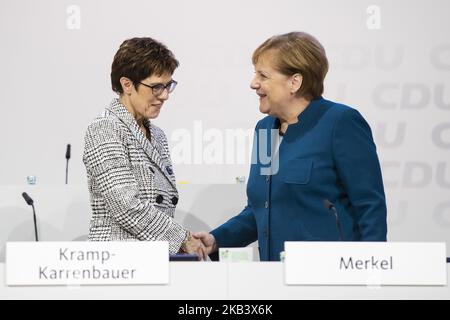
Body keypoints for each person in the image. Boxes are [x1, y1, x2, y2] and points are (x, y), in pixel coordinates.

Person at [194, 32, 387, 261]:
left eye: (263, 75)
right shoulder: (264, 130)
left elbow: (369, 206)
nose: (253, 83)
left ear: (295, 81)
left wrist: (373, 274)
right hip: (275, 280)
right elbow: (261, 210)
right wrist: (217, 240)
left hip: (331, 280)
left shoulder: (341, 122)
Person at [83, 37, 205, 259]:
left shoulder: (157, 135)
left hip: (152, 259)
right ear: (127, 84)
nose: (165, 95)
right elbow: (124, 205)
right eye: (156, 87)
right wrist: (182, 238)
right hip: (117, 261)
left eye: (168, 86)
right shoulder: (104, 128)